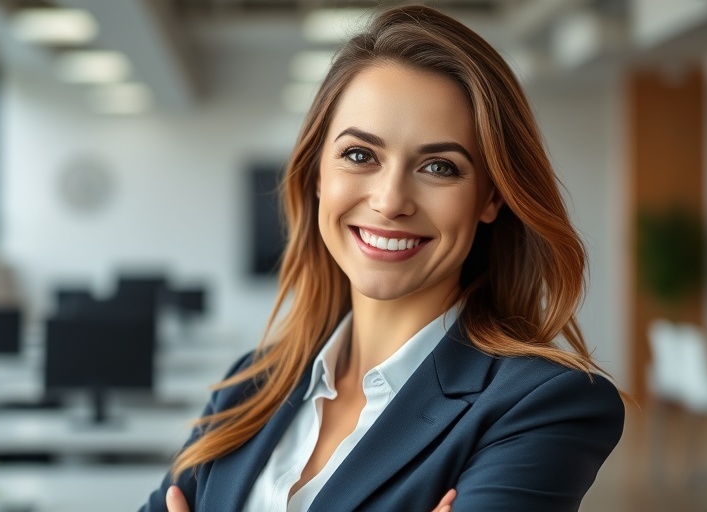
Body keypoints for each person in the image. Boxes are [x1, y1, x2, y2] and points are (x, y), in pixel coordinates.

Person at [141, 5, 624, 511]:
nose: (391, 200)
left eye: (439, 166)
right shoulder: (251, 387)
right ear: (317, 174)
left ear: (490, 198)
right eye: (359, 155)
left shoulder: (542, 406)